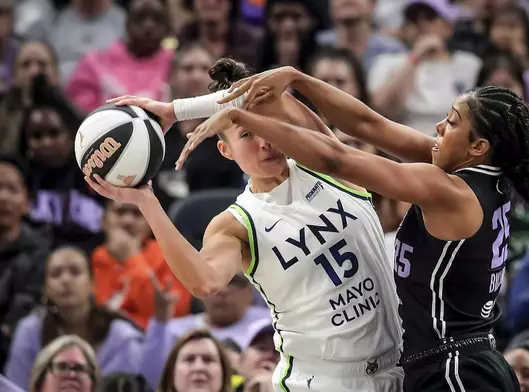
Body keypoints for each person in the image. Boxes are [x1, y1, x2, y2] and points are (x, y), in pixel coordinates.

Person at [172, 65, 529, 391]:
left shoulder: (450, 190)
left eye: (452, 123)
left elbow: (336, 157)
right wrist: (296, 79)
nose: (439, 127)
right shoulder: (477, 171)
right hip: (453, 362)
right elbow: (368, 124)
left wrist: (244, 118)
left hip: (452, 369)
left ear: (478, 146)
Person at [88, 58, 403, 392]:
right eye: (247, 134)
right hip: (321, 382)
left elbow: (271, 92)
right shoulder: (236, 224)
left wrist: (175, 110)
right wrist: (147, 203)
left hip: (403, 361)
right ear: (226, 150)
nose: (265, 141)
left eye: (268, 126)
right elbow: (205, 282)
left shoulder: (326, 161)